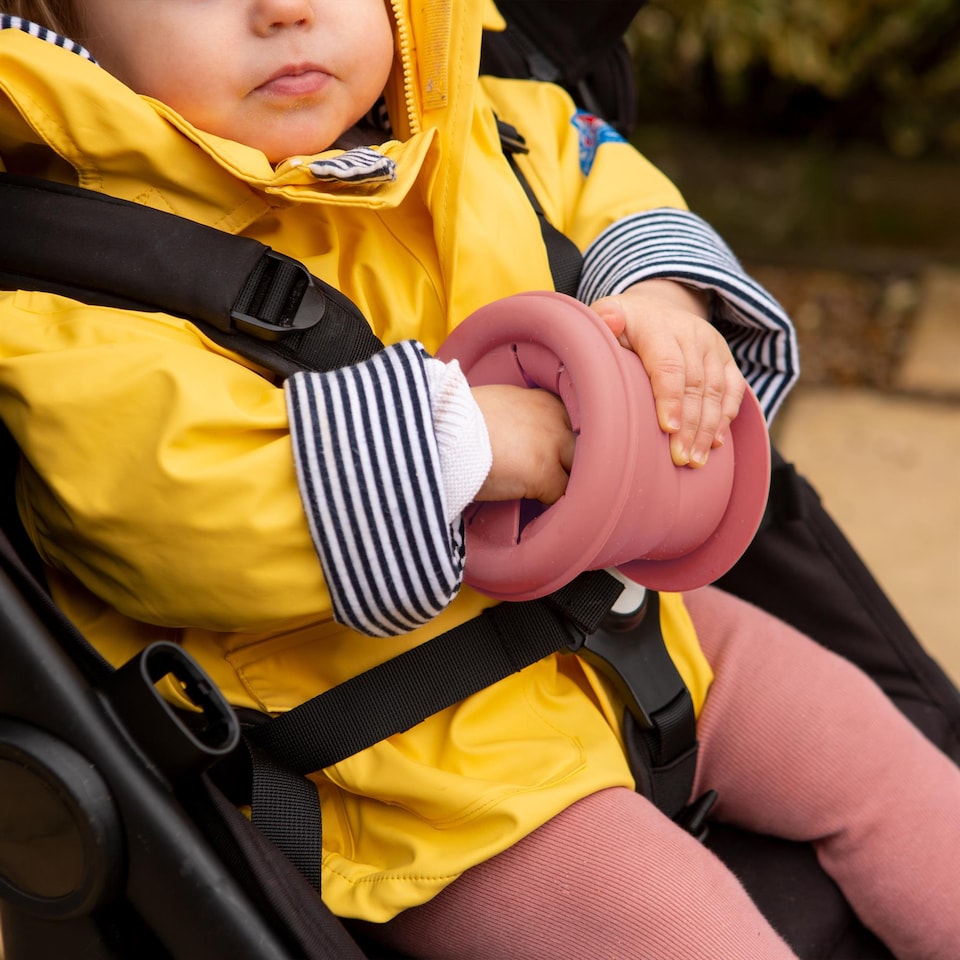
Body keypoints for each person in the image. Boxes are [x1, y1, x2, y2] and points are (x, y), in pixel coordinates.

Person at [0, 3, 958, 958]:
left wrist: (659, 304)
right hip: (421, 771)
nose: (284, 9)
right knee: (696, 930)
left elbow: (601, 182)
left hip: (634, 624)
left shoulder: (475, 118)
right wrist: (471, 441)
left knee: (894, 774)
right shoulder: (73, 278)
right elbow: (174, 503)